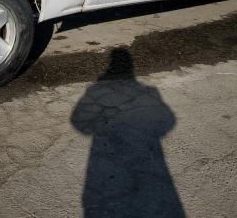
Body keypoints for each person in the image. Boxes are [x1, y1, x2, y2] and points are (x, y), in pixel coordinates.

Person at [71, 48, 185, 217]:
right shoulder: (150, 92)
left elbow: (77, 121)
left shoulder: (94, 90)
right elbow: (169, 120)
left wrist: (97, 129)